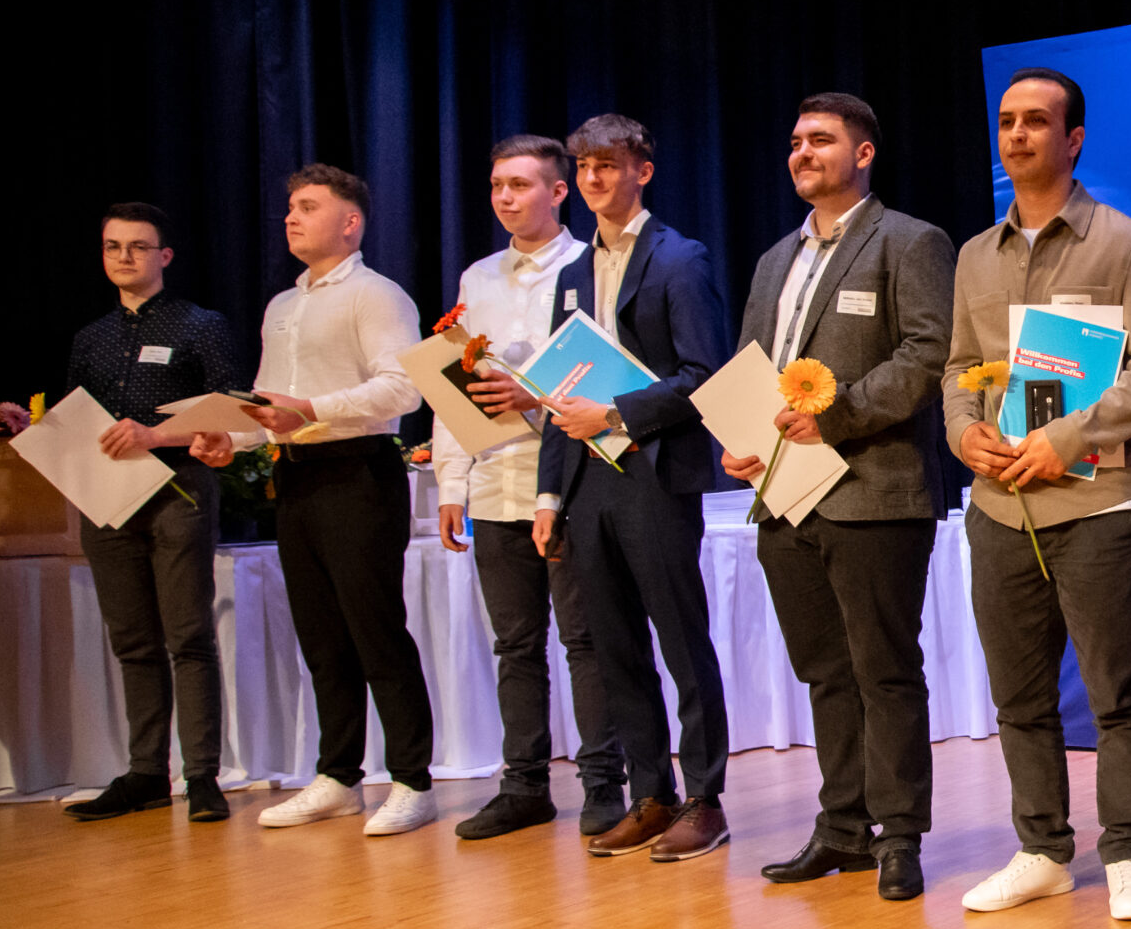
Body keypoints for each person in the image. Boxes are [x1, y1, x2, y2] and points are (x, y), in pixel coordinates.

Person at [943, 68, 1131, 921]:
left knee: (1116, 692)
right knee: (1019, 698)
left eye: (1036, 122)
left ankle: (1127, 854)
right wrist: (962, 431)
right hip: (998, 506)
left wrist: (1068, 438)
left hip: (1094, 504)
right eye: (1007, 121)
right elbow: (958, 368)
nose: (1017, 135)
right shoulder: (974, 254)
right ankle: (1042, 851)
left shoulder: (1126, 242)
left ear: (1073, 139)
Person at [728, 94, 954, 903]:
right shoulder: (773, 260)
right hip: (785, 494)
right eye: (795, 141)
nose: (802, 152)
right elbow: (754, 365)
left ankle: (901, 836)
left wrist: (839, 414)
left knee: (883, 670)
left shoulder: (910, 241)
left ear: (863, 154)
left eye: (820, 139)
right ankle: (843, 829)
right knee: (825, 672)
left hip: (874, 488)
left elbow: (929, 353)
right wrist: (743, 436)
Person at [192, 165, 440, 836]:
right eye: (290, 207)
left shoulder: (375, 295)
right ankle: (338, 777)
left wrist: (309, 408)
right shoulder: (283, 305)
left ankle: (413, 781)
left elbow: (402, 389)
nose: (291, 217)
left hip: (359, 473)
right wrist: (232, 438)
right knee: (323, 637)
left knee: (376, 630)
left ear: (350, 222)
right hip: (297, 478)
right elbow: (267, 404)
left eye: (308, 206)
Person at [532, 115, 734, 862]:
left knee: (681, 641)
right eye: (583, 166)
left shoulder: (681, 258)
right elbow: (560, 391)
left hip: (655, 476)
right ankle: (652, 795)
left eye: (608, 165)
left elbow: (704, 375)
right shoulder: (571, 274)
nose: (593, 178)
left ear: (641, 171)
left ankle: (705, 799)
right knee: (615, 647)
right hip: (587, 482)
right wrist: (548, 497)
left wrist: (617, 413)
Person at [431, 136, 626, 841]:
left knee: (586, 640)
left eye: (520, 184)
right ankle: (524, 786)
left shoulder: (588, 266)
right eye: (496, 186)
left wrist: (532, 396)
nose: (506, 197)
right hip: (494, 482)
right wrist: (450, 483)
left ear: (558, 191)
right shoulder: (479, 277)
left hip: (571, 478)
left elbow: (608, 379)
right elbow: (455, 384)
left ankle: (603, 782)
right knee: (515, 646)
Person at [61, 201, 250, 825]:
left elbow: (231, 408)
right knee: (132, 641)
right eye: (113, 246)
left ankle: (202, 776)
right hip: (108, 499)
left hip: (178, 492)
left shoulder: (199, 325)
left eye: (138, 246)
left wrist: (155, 436)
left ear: (164, 255)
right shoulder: (90, 338)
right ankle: (146, 773)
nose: (124, 257)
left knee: (187, 636)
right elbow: (78, 417)